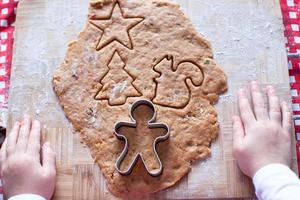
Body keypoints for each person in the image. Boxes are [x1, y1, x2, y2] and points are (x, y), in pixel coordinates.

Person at [0, 81, 299, 199]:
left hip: (147, 151)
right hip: (137, 150)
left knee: (147, 158)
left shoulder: (156, 131)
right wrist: (272, 169)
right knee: (137, 157)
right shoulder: (133, 129)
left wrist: (25, 195)